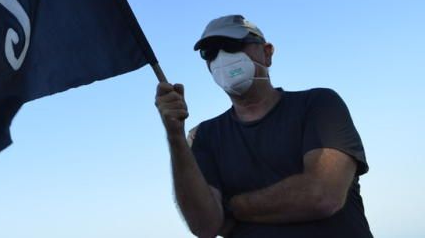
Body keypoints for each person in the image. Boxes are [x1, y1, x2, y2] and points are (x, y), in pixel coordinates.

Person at [154, 15, 373, 237]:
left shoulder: (318, 104)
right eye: (209, 53)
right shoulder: (204, 136)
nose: (222, 57)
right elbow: (206, 225)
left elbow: (322, 195)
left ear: (267, 53)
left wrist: (234, 206)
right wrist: (175, 135)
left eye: (232, 45)